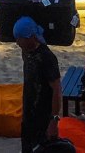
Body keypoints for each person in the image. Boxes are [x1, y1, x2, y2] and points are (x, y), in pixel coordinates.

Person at [14, 16, 61, 153]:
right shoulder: (26, 52)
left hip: (43, 120)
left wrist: (54, 121)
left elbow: (57, 89)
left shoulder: (47, 58)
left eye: (20, 38)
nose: (17, 42)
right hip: (28, 116)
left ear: (31, 37)